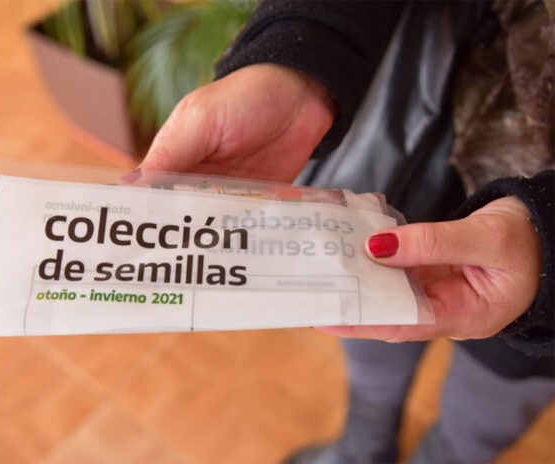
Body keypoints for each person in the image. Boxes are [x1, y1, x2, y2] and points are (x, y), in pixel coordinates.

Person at [136, 1, 554, 462]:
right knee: (369, 309)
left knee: (493, 394)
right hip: (412, 126)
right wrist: (297, 51)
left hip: (540, 249)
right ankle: (364, 446)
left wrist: (548, 235)